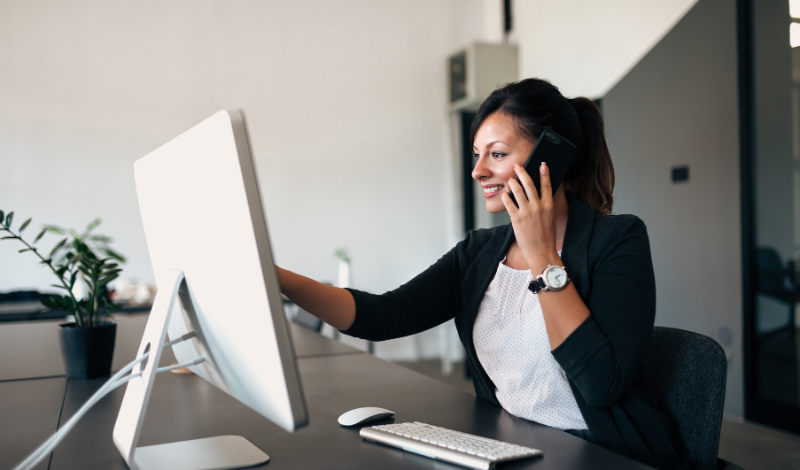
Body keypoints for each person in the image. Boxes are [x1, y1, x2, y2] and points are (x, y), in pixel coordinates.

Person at [277, 78, 688, 470]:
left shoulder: (618, 240)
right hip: (518, 448)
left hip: (605, 454)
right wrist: (277, 278)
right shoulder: (478, 253)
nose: (477, 171)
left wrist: (542, 254)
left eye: (497, 153)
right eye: (477, 154)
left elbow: (601, 385)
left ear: (552, 156)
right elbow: (382, 316)